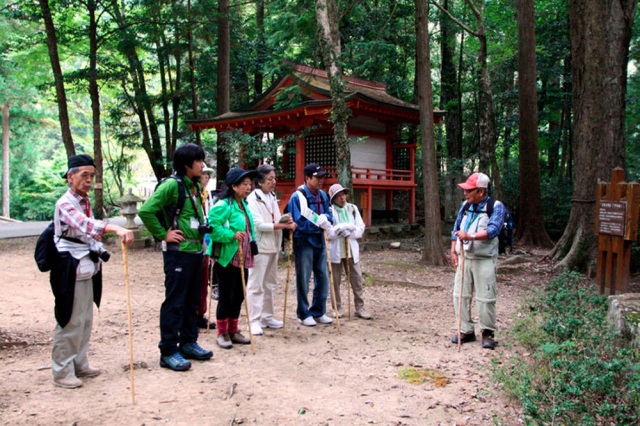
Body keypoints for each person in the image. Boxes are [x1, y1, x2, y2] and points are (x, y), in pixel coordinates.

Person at [50, 154, 134, 389]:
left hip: (86, 265)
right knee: (69, 318)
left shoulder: (85, 202)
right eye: (83, 175)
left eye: (91, 176)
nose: (88, 180)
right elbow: (86, 225)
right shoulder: (65, 203)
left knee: (85, 317)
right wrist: (115, 228)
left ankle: (79, 362)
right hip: (69, 267)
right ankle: (61, 370)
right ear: (70, 177)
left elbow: (91, 234)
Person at [138, 143, 213, 372]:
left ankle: (189, 343)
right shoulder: (172, 185)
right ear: (186, 164)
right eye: (199, 161)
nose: (202, 165)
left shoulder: (193, 185)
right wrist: (164, 234)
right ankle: (169, 351)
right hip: (178, 254)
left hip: (195, 252)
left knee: (192, 301)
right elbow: (146, 210)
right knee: (175, 302)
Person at [450, 172, 506, 350]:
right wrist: (453, 250)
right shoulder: (465, 206)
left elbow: (493, 230)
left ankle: (488, 333)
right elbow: (456, 228)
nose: (465, 194)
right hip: (464, 258)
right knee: (460, 295)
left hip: (484, 259)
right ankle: (466, 330)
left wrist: (470, 236)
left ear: (481, 191)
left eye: (469, 190)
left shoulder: (496, 207)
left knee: (485, 298)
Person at [207, 167, 257, 349]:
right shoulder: (223, 205)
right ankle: (222, 333)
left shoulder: (244, 205)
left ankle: (233, 330)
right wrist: (231, 235)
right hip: (226, 258)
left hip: (244, 256)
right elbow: (212, 228)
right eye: (244, 184)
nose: (248, 187)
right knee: (226, 295)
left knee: (239, 295)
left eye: (249, 184)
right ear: (234, 186)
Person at [246, 164, 297, 335]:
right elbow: (258, 225)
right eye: (270, 179)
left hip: (274, 245)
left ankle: (267, 316)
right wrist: (281, 225)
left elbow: (276, 216)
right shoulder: (253, 199)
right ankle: (253, 320)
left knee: (270, 283)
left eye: (274, 178)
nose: (274, 182)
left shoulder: (272, 196)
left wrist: (286, 221)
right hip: (260, 247)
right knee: (256, 284)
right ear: (259, 182)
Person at [287, 163, 335, 327]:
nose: (321, 180)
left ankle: (318, 311)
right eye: (317, 177)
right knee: (304, 277)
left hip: (320, 240)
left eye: (322, 177)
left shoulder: (323, 195)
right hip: (304, 241)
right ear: (307, 178)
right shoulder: (297, 196)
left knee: (323, 277)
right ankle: (303, 313)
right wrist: (319, 224)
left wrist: (326, 221)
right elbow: (299, 221)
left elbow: (330, 215)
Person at [327, 183, 371, 320]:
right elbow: (328, 232)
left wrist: (350, 232)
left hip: (351, 250)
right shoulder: (329, 211)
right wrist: (339, 230)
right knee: (335, 281)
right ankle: (337, 308)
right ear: (333, 199)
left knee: (357, 279)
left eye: (343, 195)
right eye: (338, 196)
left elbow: (360, 227)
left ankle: (360, 307)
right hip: (336, 250)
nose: (342, 198)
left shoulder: (352, 209)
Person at [196, 166, 217, 329]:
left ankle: (200, 314)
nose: (207, 177)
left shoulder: (207, 194)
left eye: (209, 175)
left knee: (204, 280)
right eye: (204, 174)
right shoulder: (192, 194)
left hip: (205, 241)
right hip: (191, 242)